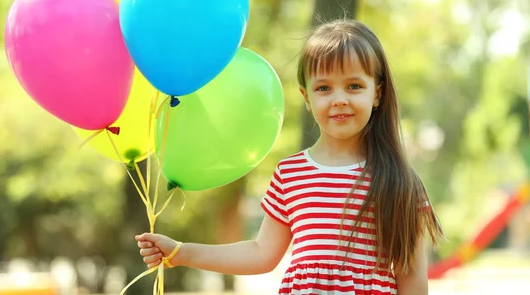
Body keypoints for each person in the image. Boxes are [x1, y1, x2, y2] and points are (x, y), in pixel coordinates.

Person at [136, 19, 443, 294]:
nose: (339, 100)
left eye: (354, 86)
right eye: (324, 88)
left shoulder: (398, 178)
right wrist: (181, 252)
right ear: (306, 97)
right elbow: (261, 253)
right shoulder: (291, 173)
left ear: (376, 93)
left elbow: (412, 275)